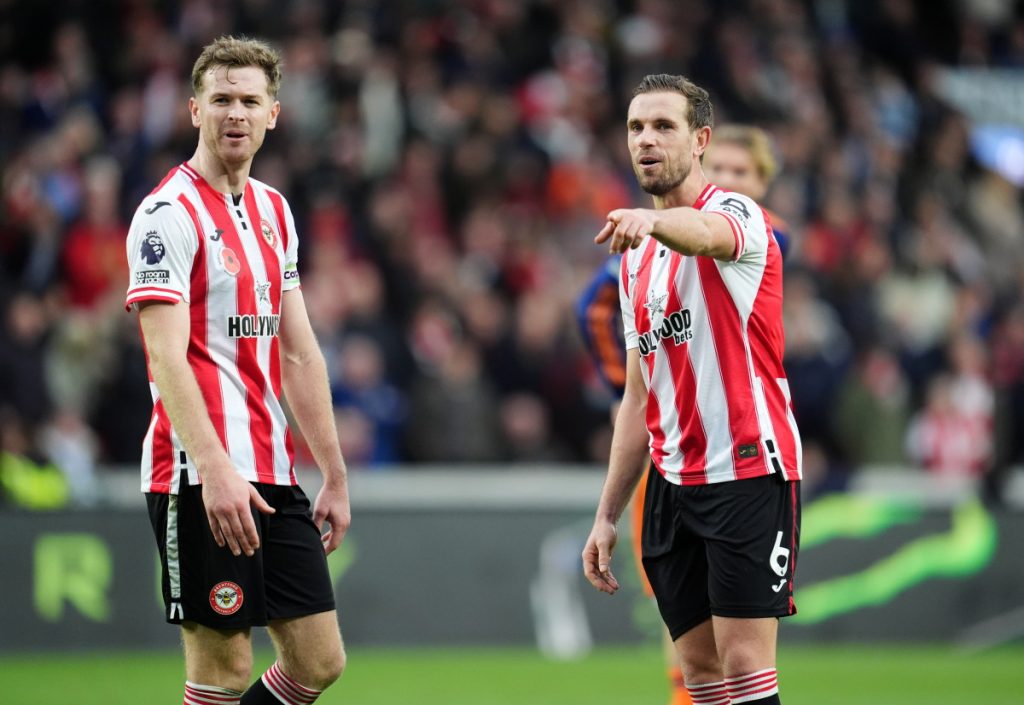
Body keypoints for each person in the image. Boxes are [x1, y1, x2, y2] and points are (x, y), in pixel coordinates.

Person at [124, 36, 349, 705]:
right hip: (197, 471)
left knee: (319, 659)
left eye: (250, 100)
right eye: (221, 99)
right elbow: (166, 354)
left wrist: (333, 470)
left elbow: (300, 351)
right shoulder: (166, 215)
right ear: (194, 109)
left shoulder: (276, 211)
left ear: (273, 113)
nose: (235, 114)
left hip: (274, 470)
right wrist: (216, 466)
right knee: (222, 668)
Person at [582, 74, 802, 705]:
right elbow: (637, 396)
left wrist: (653, 226)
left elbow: (705, 235)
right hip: (672, 485)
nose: (646, 140)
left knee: (744, 667)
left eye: (663, 126)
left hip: (746, 469)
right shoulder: (633, 261)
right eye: (635, 128)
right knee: (698, 674)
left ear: (700, 139)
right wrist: (606, 513)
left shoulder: (738, 215)